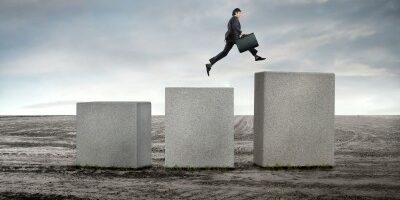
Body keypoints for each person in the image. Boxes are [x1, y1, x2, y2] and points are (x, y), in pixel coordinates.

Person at [206, 8, 266, 76]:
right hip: (234, 37)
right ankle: (256, 56)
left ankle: (210, 64)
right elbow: (235, 27)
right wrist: (241, 33)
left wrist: (239, 34)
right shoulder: (234, 18)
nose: (240, 15)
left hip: (230, 38)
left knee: (224, 52)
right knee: (246, 44)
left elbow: (232, 28)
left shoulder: (232, 19)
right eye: (239, 13)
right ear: (236, 12)